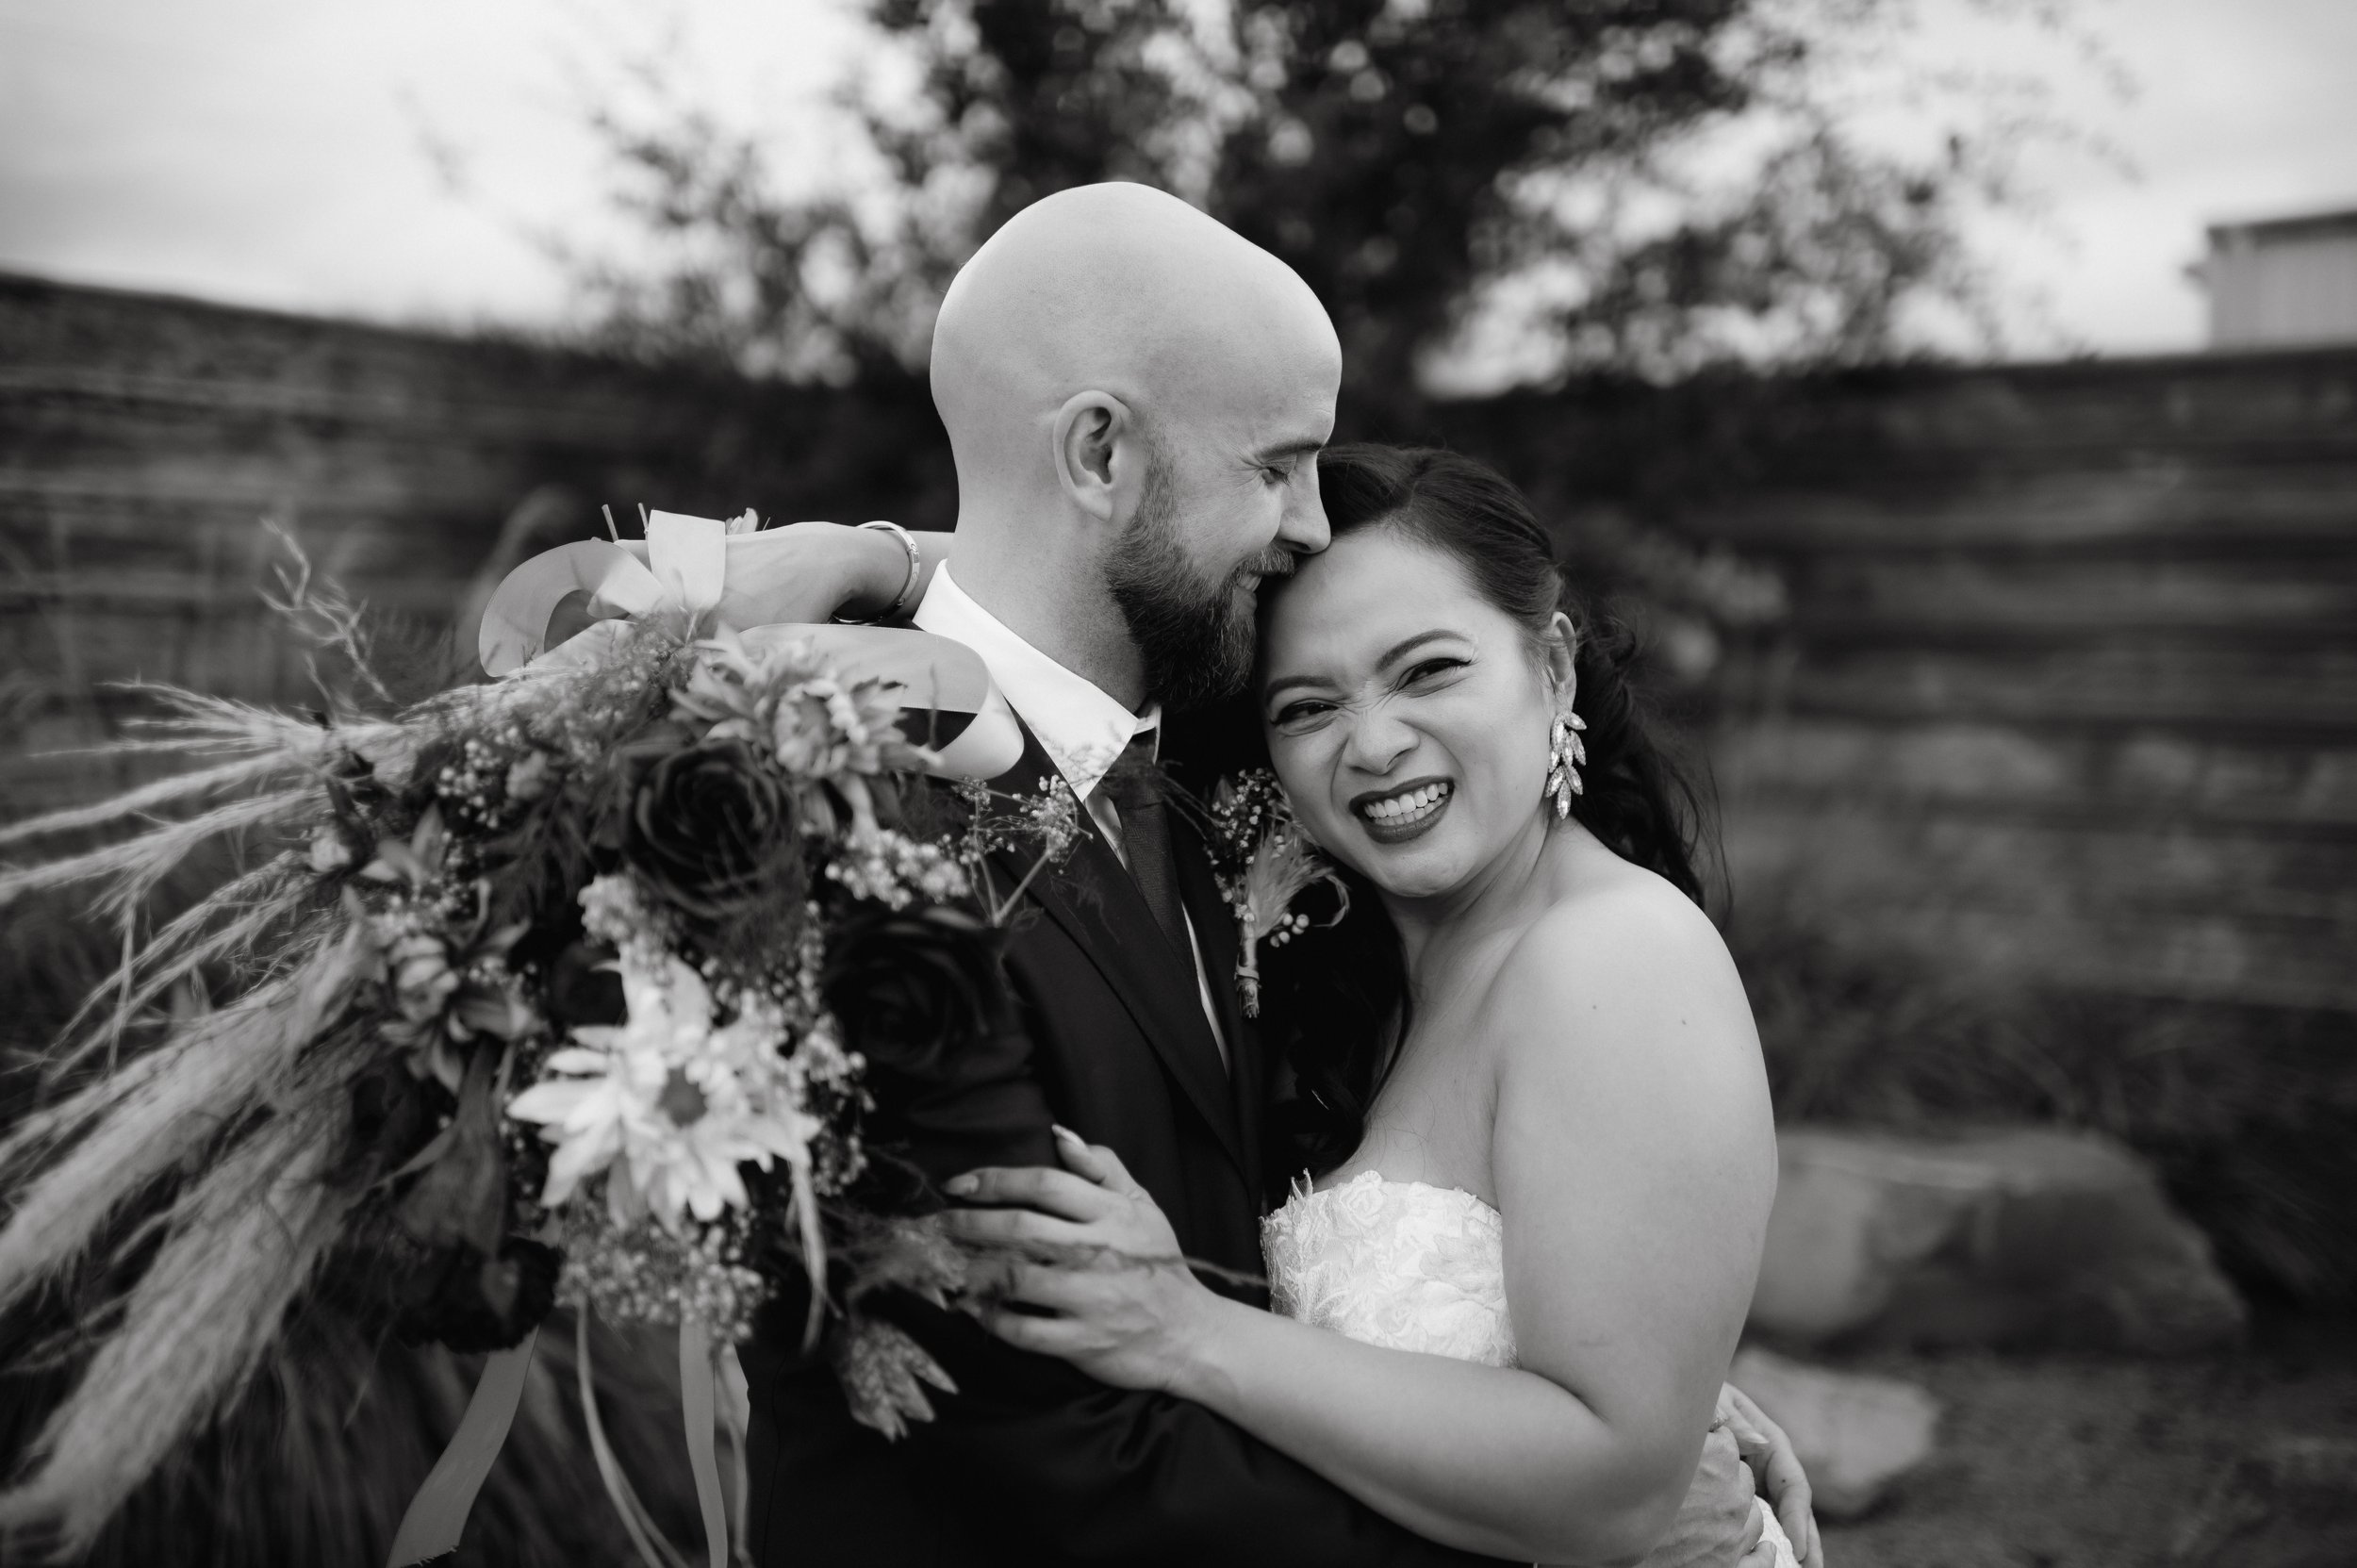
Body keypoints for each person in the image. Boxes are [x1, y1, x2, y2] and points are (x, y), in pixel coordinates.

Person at [630, 181, 1817, 1567]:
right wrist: (1599, 1510)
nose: (1305, 524)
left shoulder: (1200, 770)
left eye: (1429, 671)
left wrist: (1628, 1408)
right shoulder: (861, 830)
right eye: (1276, 466)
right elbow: (1061, 1460)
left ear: (1552, 670)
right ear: (1098, 452)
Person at [937, 443, 1808, 1567]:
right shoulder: (1347, 960)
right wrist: (872, 561)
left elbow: (1611, 1487)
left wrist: (1186, 1330)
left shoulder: (1614, 958)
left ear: (1550, 667)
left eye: (1427, 671)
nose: (1376, 743)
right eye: (1308, 706)